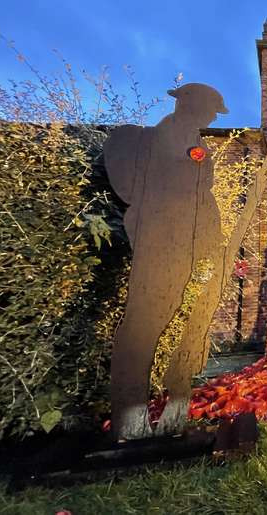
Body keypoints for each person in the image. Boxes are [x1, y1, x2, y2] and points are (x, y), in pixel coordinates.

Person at [104, 84, 228, 440]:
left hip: (187, 245)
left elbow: (201, 198)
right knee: (143, 323)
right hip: (161, 241)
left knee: (165, 317)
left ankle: (161, 411)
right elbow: (171, 188)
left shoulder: (195, 143)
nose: (210, 118)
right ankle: (129, 416)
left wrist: (210, 240)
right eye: (209, 110)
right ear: (190, 104)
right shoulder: (161, 140)